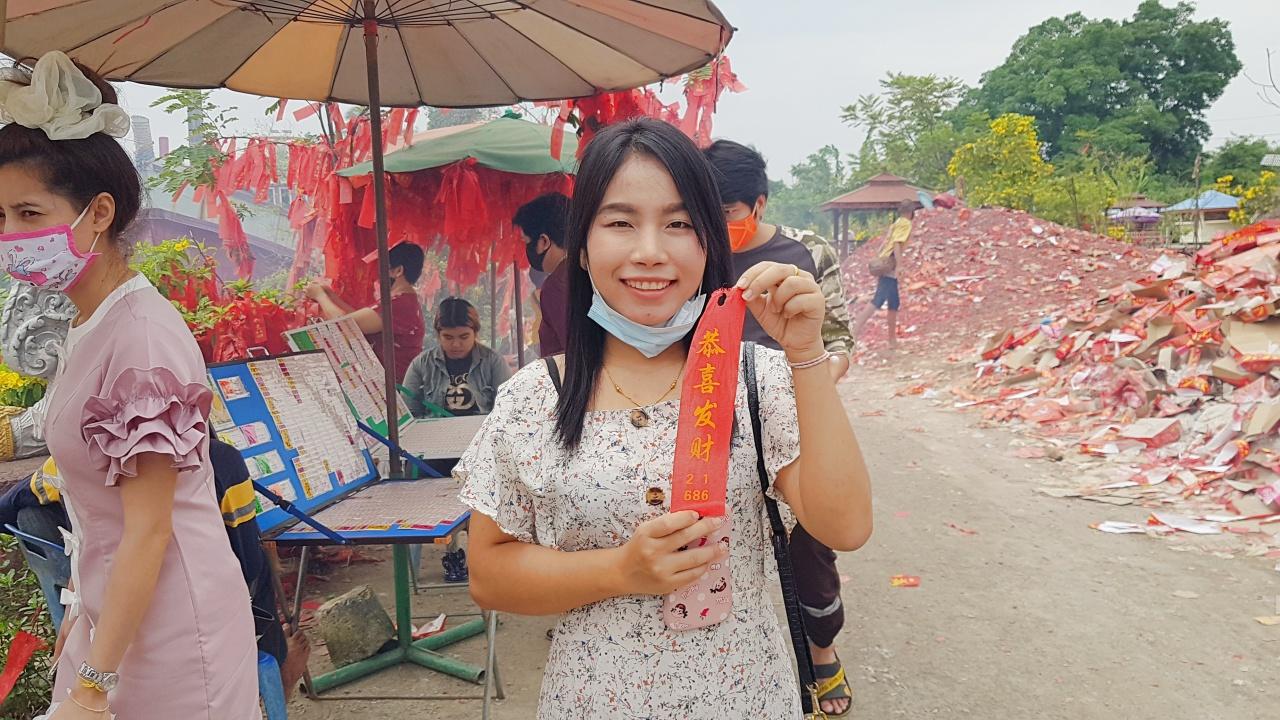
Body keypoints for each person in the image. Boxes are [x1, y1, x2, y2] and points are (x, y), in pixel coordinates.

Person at [456, 117, 873, 719]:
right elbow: (489, 573)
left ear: (709, 243)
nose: (650, 251)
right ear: (583, 245)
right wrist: (619, 570)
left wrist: (806, 353)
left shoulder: (757, 379)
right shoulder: (534, 397)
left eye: (679, 224)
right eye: (620, 222)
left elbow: (847, 526)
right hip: (593, 702)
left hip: (748, 698)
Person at [0, 52, 260, 718]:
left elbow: (147, 530)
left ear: (99, 213)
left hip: (172, 632)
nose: (11, 236)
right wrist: (82, 615)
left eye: (29, 213)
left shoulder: (141, 340)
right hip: (114, 619)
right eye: (0, 218)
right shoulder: (91, 320)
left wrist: (92, 685)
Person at [703, 139, 857, 716]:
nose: (716, 226)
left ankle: (821, 651)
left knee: (811, 546)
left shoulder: (806, 252)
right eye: (704, 212)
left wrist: (804, 380)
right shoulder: (696, 252)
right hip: (713, 428)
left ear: (759, 205)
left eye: (726, 213)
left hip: (793, 423)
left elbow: (838, 337)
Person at [0, 436, 312, 700]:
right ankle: (279, 666)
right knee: (260, 568)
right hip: (194, 628)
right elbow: (247, 566)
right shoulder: (219, 460)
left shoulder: (70, 466)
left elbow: (7, 510)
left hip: (98, 621)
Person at [306, 240, 427, 383]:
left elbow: (344, 325)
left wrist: (320, 296)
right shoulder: (404, 302)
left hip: (391, 387)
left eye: (382, 268)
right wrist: (332, 297)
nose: (377, 276)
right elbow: (359, 320)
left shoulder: (400, 305)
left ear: (398, 271)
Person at [402, 297, 512, 418]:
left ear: (475, 333)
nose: (456, 344)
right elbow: (409, 413)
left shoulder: (494, 362)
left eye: (464, 337)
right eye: (448, 337)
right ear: (438, 335)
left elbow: (508, 408)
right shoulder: (421, 364)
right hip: (435, 429)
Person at [852, 200, 916, 351]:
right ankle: (853, 332)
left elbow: (886, 242)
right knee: (878, 300)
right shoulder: (905, 224)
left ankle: (892, 340)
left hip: (886, 262)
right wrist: (899, 265)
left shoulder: (897, 222)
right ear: (911, 212)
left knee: (894, 302)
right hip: (890, 264)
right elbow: (897, 244)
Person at [514, 193, 572, 357]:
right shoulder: (593, 268)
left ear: (544, 241)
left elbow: (577, 352)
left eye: (526, 242)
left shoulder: (558, 284)